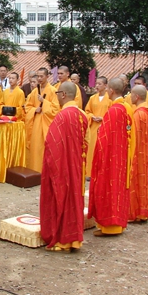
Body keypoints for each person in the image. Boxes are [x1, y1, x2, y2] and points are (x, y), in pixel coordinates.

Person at [39, 81, 88, 251]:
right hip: (76, 166)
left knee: (62, 198)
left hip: (63, 167)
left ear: (63, 95)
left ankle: (63, 240)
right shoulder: (82, 115)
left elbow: (51, 144)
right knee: (74, 199)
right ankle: (74, 239)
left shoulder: (62, 116)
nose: (56, 96)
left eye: (58, 93)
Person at [88, 78, 134, 236]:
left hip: (111, 157)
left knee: (109, 188)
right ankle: (117, 224)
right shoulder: (126, 106)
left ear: (112, 91)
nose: (106, 91)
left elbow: (104, 138)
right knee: (119, 188)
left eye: (107, 89)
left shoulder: (114, 111)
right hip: (121, 155)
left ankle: (110, 226)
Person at [128, 84, 148, 222]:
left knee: (137, 182)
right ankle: (143, 212)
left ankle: (137, 212)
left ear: (137, 96)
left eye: (132, 94)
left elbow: (134, 137)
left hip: (138, 153)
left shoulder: (138, 114)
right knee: (144, 182)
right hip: (147, 152)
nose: (130, 96)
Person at [24, 68, 59, 172]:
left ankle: (46, 171)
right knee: (35, 147)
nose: (39, 79)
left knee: (45, 147)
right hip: (36, 123)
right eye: (38, 76)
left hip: (47, 123)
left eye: (41, 76)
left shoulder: (53, 91)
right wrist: (35, 109)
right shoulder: (35, 91)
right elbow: (27, 106)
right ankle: (34, 170)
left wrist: (44, 102)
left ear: (47, 76)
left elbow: (56, 109)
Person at [84, 77, 111, 174]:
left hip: (105, 127)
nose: (97, 86)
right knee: (91, 149)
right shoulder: (92, 98)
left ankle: (101, 172)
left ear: (105, 86)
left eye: (100, 84)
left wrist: (103, 119)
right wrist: (91, 116)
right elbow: (87, 111)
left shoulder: (110, 99)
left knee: (102, 150)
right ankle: (90, 172)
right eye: (96, 84)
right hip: (93, 126)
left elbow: (112, 114)